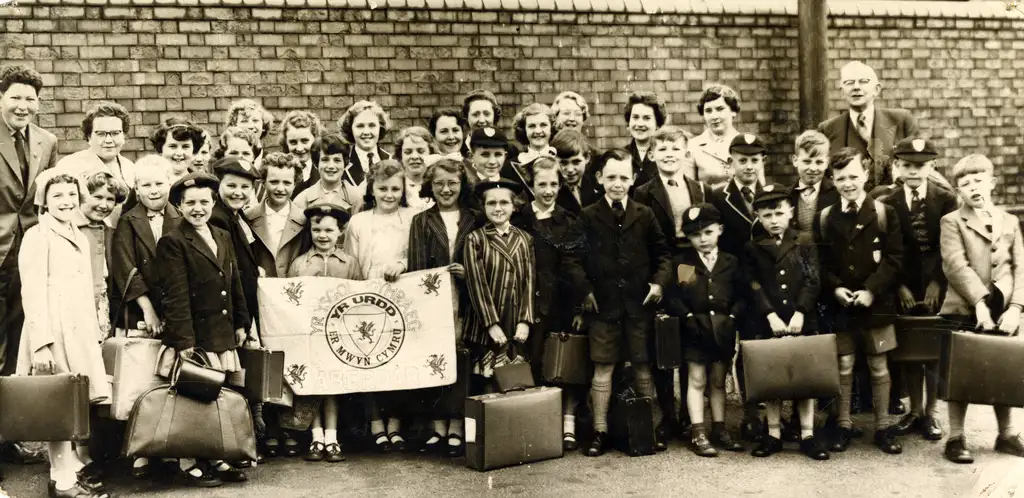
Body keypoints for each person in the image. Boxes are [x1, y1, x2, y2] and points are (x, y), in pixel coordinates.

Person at [18, 173, 111, 498]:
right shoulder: (37, 236)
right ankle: (61, 479)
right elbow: (31, 292)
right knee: (56, 407)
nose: (66, 201)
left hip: (79, 329)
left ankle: (68, 471)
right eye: (57, 195)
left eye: (72, 194)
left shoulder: (78, 234)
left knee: (72, 405)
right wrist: (41, 344)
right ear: (44, 199)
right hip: (52, 331)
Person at [156, 172, 250, 487]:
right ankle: (188, 461)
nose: (198, 208)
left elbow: (234, 281)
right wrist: (184, 341)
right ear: (179, 207)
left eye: (204, 202)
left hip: (221, 333)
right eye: (190, 203)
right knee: (193, 399)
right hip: (196, 337)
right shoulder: (173, 240)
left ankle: (216, 457)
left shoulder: (221, 234)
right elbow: (176, 295)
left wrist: (240, 321)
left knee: (218, 398)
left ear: (213, 203)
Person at [578, 149, 672, 456]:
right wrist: (585, 290)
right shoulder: (588, 215)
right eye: (611, 177)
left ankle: (648, 427)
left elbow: (663, 254)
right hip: (604, 308)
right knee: (603, 367)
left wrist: (659, 282)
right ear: (599, 179)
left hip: (637, 307)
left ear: (632, 179)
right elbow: (573, 259)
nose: (617, 183)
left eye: (623, 177)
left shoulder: (644, 214)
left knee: (643, 368)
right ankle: (600, 431)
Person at [814, 147, 904, 455]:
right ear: (832, 179)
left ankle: (883, 426)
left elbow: (894, 259)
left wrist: (871, 289)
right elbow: (821, 264)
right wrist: (836, 288)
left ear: (866, 175)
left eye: (854, 176)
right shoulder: (825, 217)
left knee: (879, 365)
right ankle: (843, 424)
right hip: (842, 306)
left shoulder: (882, 213)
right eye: (840, 178)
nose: (848, 183)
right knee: (844, 364)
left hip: (875, 305)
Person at [938, 154, 1024, 464]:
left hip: (1004, 310)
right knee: (961, 372)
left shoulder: (1010, 221)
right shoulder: (951, 221)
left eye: (978, 181)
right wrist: (979, 305)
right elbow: (955, 265)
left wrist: (1016, 307)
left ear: (992, 183)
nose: (973, 188)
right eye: (965, 184)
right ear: (958, 190)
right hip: (965, 307)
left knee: (1005, 370)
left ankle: (1007, 434)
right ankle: (956, 437)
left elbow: (1020, 267)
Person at [511, 157, 593, 452]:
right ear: (531, 186)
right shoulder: (518, 218)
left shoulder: (570, 220)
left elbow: (577, 267)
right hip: (528, 304)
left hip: (560, 304)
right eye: (541, 184)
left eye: (553, 184)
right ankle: (537, 424)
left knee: (565, 364)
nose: (548, 190)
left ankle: (567, 423)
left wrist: (579, 309)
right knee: (532, 362)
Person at [743, 185, 830, 461]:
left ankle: (807, 434)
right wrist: (769, 314)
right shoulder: (752, 247)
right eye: (767, 214)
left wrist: (801, 311)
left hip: (800, 318)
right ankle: (773, 434)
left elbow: (813, 279)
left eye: (779, 212)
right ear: (757, 214)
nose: (774, 219)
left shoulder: (804, 241)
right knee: (773, 377)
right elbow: (753, 284)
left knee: (805, 376)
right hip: (768, 321)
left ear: (791, 212)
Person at [878, 138, 957, 443]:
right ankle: (915, 410)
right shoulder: (889, 201)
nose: (913, 172)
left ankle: (932, 412)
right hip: (904, 285)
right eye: (907, 165)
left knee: (933, 349)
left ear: (932, 167)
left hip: (936, 285)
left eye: (920, 166)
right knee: (910, 349)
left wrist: (939, 281)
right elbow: (887, 248)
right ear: (897, 166)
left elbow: (948, 246)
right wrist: (898, 286)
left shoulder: (945, 199)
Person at [633, 125, 708, 444]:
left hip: (688, 263)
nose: (669, 155)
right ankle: (668, 413)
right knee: (664, 339)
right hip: (660, 266)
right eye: (662, 149)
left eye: (675, 149)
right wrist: (656, 278)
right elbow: (644, 239)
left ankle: (689, 415)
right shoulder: (643, 191)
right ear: (652, 154)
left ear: (685, 153)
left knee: (687, 331)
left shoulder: (697, 188)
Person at [109, 156, 181, 479]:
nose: (153, 190)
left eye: (159, 183)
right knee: (141, 380)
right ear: (136, 188)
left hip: (175, 310)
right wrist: (147, 308)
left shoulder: (179, 218)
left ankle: (168, 446)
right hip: (141, 312)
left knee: (170, 378)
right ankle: (140, 450)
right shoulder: (128, 222)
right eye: (146, 185)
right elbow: (125, 266)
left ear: (170, 184)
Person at [407, 158, 479, 457]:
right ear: (430, 187)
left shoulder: (475, 218)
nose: (446, 189)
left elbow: (484, 261)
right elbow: (416, 267)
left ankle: (458, 427)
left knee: (462, 363)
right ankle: (438, 428)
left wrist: (468, 272)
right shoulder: (421, 221)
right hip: (434, 303)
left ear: (462, 186)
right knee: (436, 362)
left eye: (452, 183)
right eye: (439, 184)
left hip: (466, 301)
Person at [342, 160, 414, 452]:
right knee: (371, 358)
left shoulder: (411, 218)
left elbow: (417, 255)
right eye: (383, 188)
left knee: (397, 361)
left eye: (395, 188)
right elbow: (351, 261)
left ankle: (395, 425)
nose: (389, 194)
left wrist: (402, 264)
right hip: (367, 295)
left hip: (402, 293)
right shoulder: (359, 222)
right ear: (372, 188)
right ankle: (375, 424)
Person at [664, 203, 746, 457]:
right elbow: (675, 296)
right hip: (695, 330)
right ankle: (698, 430)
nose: (703, 239)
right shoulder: (685, 263)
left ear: (719, 230)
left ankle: (720, 428)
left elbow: (742, 296)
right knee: (697, 379)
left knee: (718, 381)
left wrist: (733, 316)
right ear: (688, 237)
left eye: (708, 232)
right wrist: (687, 316)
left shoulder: (730, 262)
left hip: (723, 330)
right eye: (696, 234)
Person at [288, 203, 363, 464]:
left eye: (329, 230)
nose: (322, 235)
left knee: (332, 386)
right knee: (311, 386)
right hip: (308, 336)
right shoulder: (299, 264)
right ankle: (315, 436)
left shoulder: (350, 264)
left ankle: (332, 437)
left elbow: (359, 298)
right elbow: (289, 299)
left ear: (340, 232)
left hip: (337, 337)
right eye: (317, 229)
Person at [0, 64, 59, 377]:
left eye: (30, 99)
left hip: (32, 250)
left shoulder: (46, 141)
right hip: (1, 249)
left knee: (24, 329)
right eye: (15, 98)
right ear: (1, 98)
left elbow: (48, 196)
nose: (23, 106)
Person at [710, 133, 768, 439]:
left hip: (762, 284)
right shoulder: (718, 197)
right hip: (731, 286)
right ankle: (745, 411)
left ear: (762, 162)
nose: (748, 167)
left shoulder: (771, 195)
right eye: (742, 160)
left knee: (757, 348)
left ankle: (760, 412)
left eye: (754, 161)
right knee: (734, 350)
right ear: (730, 163)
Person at [817, 61, 943, 193]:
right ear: (842, 92)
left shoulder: (902, 121)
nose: (856, 87)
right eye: (849, 82)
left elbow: (923, 166)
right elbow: (822, 176)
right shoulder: (827, 129)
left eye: (863, 81)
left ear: (876, 89)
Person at [464, 179, 536, 393]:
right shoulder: (475, 239)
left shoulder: (525, 239)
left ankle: (513, 426)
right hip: (486, 325)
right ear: (483, 207)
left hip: (515, 321)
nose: (498, 208)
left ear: (514, 206)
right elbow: (476, 283)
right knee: (488, 382)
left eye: (504, 203)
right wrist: (491, 323)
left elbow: (530, 282)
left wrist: (525, 320)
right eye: (491, 203)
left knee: (515, 381)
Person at [208, 157, 261, 348]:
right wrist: (240, 320)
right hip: (230, 314)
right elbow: (227, 274)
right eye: (231, 185)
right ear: (218, 185)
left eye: (245, 187)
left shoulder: (237, 215)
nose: (238, 193)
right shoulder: (217, 219)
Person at [54, 102, 136, 221]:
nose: (108, 140)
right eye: (101, 134)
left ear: (124, 136)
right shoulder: (69, 165)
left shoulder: (131, 168)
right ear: (89, 137)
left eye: (115, 133)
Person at [688, 84, 751, 189]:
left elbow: (758, 187)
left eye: (720, 109)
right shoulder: (693, 146)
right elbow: (689, 188)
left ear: (733, 111)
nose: (714, 116)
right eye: (708, 111)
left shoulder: (747, 144)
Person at [338, 100, 392, 209]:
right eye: (360, 126)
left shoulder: (391, 160)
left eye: (372, 125)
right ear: (350, 129)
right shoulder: (341, 163)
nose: (366, 132)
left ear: (380, 128)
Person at [788, 130, 839, 240]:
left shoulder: (837, 194)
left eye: (819, 162)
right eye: (807, 161)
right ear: (795, 160)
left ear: (827, 162)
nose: (813, 168)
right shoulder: (787, 195)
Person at [292, 134, 359, 214]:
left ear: (345, 163)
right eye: (325, 160)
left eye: (337, 160)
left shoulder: (357, 198)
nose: (331, 166)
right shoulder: (302, 200)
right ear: (316, 164)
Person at [623, 91, 668, 190]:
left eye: (647, 118)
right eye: (635, 117)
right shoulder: (621, 156)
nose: (640, 123)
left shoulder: (667, 155)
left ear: (657, 124)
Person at [551, 129, 600, 214]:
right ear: (554, 160)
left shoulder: (596, 185)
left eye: (576, 162)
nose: (570, 169)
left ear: (587, 158)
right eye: (563, 163)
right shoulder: (552, 190)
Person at [280, 110, 324, 198]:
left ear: (315, 139)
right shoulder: (279, 169)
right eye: (293, 142)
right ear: (286, 143)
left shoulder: (324, 168)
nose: (299, 148)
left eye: (305, 141)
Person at [394, 126, 438, 213]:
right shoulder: (395, 186)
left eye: (421, 151)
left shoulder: (438, 183)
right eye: (408, 152)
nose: (414, 156)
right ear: (400, 156)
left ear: (431, 153)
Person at [511, 103, 556, 187]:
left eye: (543, 125)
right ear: (524, 130)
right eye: (532, 126)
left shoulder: (561, 160)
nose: (538, 131)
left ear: (551, 128)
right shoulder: (513, 165)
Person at [150, 118, 205, 185]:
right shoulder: (147, 183)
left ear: (194, 150)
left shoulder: (202, 184)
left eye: (185, 146)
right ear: (160, 149)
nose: (179, 153)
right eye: (173, 146)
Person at [225, 98, 274, 171]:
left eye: (255, 120)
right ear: (234, 125)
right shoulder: (226, 158)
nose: (251, 126)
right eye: (244, 121)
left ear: (263, 125)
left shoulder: (270, 161)